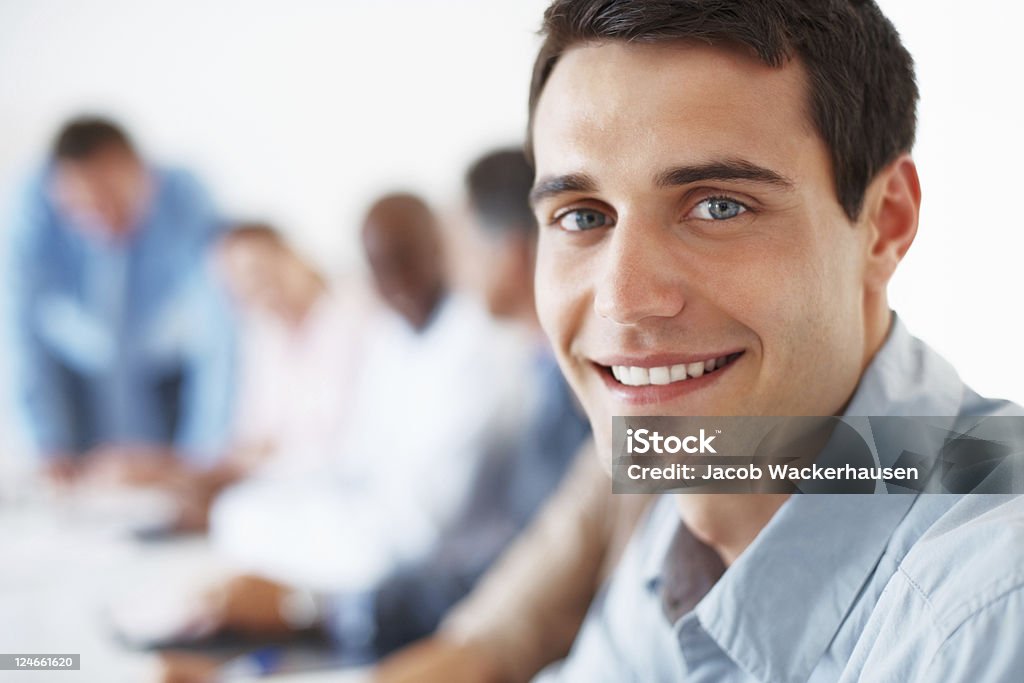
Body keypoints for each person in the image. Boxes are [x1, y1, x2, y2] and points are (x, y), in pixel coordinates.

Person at [516, 1, 1024, 681]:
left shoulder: (986, 613)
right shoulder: (691, 511)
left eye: (718, 205)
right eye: (582, 215)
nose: (624, 302)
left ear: (885, 222)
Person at [5, 116, 234, 482]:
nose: (99, 218)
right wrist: (46, 444)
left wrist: (203, 456)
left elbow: (220, 331)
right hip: (77, 373)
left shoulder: (185, 196)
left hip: (164, 370)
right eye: (80, 207)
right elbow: (16, 335)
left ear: (144, 174)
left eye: (112, 199)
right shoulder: (31, 205)